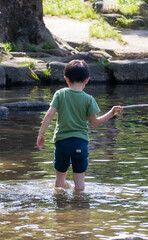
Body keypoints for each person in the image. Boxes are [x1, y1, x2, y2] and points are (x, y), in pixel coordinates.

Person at [36, 59, 122, 193]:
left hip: (62, 143)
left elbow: (49, 115)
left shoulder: (60, 94)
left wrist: (41, 134)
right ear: (87, 80)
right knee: (79, 179)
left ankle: (60, 206)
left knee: (60, 176)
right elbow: (95, 123)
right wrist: (111, 113)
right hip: (80, 143)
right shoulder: (89, 99)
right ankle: (80, 207)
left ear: (66, 79)